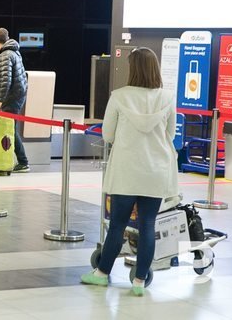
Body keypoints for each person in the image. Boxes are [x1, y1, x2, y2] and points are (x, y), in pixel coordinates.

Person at [80, 47, 178, 297]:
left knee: (117, 225)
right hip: (155, 170)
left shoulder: (119, 96)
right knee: (147, 225)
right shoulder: (167, 98)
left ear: (133, 69)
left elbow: (107, 134)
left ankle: (101, 274)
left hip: (126, 169)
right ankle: (139, 282)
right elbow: (170, 134)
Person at [0, 27, 29, 173]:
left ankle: (23, 162)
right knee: (11, 128)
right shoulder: (14, 52)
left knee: (10, 129)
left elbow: (5, 81)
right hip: (19, 94)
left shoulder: (4, 55)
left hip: (12, 96)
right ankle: (19, 161)